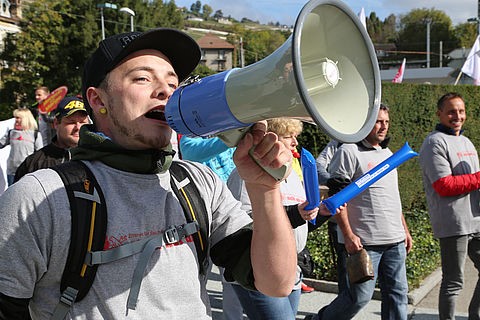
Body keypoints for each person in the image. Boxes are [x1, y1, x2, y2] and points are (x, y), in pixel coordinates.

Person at [0, 28, 297, 319]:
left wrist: (264, 189)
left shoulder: (199, 183)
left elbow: (275, 283)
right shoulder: (39, 196)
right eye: (142, 78)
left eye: (173, 82)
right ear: (98, 100)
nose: (165, 91)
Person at [307, 104, 413, 320]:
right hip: (364, 242)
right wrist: (348, 235)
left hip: (394, 241)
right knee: (358, 298)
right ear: (365, 124)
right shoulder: (348, 151)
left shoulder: (389, 154)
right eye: (378, 121)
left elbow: (393, 196)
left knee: (397, 297)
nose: (383, 127)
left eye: (386, 121)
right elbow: (338, 199)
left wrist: (405, 230)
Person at [227, 118, 333, 320]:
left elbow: (298, 224)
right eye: (288, 137)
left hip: (292, 270)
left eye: (296, 136)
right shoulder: (245, 174)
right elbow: (242, 224)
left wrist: (320, 215)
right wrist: (295, 213)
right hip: (258, 269)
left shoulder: (292, 175)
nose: (295, 142)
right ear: (269, 139)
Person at [418, 92, 480, 320]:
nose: (457, 116)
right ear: (440, 114)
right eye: (452, 111)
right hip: (454, 222)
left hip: (476, 219)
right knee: (454, 281)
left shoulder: (466, 141)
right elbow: (444, 185)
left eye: (461, 111)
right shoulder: (434, 142)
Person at [180, 135, 242, 319]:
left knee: (232, 279)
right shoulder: (188, 140)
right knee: (197, 276)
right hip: (201, 215)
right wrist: (234, 135)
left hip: (228, 211)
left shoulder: (227, 138)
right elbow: (196, 152)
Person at [14, 96, 90, 182]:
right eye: (71, 122)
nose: (78, 127)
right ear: (56, 124)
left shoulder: (96, 158)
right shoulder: (34, 163)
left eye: (83, 122)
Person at [315, 139, 348, 294]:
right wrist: (330, 180)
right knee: (346, 268)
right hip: (340, 215)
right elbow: (317, 165)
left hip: (368, 217)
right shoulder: (339, 142)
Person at [0, 108, 43, 185]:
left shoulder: (35, 135)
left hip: (28, 171)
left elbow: (40, 154)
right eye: (15, 117)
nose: (15, 120)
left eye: (18, 118)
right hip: (12, 171)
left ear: (25, 119)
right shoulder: (11, 132)